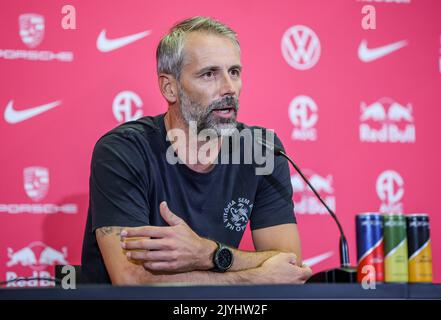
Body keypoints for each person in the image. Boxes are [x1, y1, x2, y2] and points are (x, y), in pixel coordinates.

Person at [81, 16, 312, 285]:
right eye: (209, 74)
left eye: (234, 72)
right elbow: (133, 279)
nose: (229, 88)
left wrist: (208, 254)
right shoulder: (123, 150)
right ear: (170, 87)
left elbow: (289, 266)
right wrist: (250, 275)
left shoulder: (261, 149)